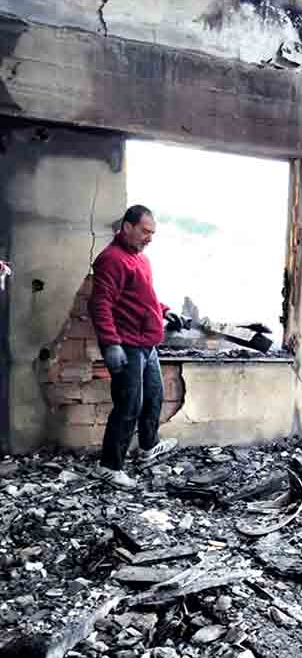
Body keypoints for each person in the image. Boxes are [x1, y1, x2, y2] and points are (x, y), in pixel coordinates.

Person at [89, 205, 183, 489]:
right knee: (129, 405)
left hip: (146, 344)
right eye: (144, 231)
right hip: (127, 345)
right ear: (127, 227)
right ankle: (109, 466)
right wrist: (111, 344)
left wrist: (164, 310)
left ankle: (148, 447)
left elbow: (144, 296)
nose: (149, 238)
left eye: (152, 233)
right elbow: (100, 305)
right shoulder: (112, 259)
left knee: (154, 397)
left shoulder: (140, 259)